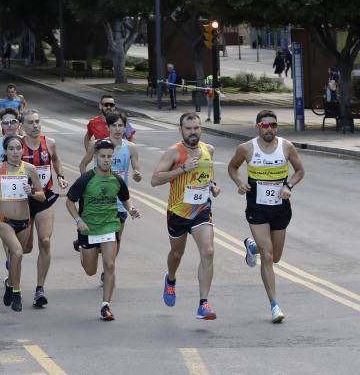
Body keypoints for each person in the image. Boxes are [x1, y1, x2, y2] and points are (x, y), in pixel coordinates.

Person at [227, 110, 305, 323]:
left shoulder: (286, 146)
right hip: (257, 207)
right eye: (264, 125)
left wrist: (289, 185)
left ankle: (252, 246)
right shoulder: (246, 148)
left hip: (280, 206)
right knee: (268, 256)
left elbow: (300, 171)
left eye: (272, 125)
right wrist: (240, 182)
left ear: (276, 127)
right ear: (257, 127)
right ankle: (274, 306)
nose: (269, 129)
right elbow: (232, 167)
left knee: (276, 257)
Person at [150, 112, 220, 320]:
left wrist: (213, 186)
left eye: (196, 128)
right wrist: (182, 168)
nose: (193, 132)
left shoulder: (209, 150)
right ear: (180, 130)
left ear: (201, 129)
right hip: (178, 212)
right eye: (188, 128)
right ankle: (170, 279)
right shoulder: (173, 153)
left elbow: (206, 174)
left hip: (201, 210)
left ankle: (203, 304)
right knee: (176, 254)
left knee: (208, 251)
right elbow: (154, 179)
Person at [66, 138, 141, 320]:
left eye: (109, 156)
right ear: (95, 157)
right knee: (90, 270)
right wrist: (78, 220)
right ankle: (83, 249)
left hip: (109, 225)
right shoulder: (85, 179)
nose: (106, 160)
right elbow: (69, 202)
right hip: (89, 228)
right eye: (102, 156)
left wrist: (131, 209)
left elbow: (125, 197)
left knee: (110, 264)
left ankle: (105, 305)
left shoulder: (116, 179)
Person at [0, 136, 45, 312]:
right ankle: (17, 292)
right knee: (16, 253)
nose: (15, 152)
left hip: (24, 221)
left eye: (18, 148)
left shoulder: (30, 169)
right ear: (5, 151)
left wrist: (32, 192)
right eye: (11, 148)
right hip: (4, 221)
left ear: (23, 150)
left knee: (16, 256)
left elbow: (42, 195)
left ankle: (10, 284)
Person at [77, 112, 142, 284]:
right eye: (114, 125)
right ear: (108, 127)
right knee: (97, 243)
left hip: (119, 202)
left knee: (115, 238)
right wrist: (87, 186)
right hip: (96, 202)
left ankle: (108, 269)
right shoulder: (97, 146)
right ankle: (86, 249)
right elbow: (82, 165)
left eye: (121, 126)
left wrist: (137, 174)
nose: (118, 129)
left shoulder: (131, 148)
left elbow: (137, 168)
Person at [19, 109, 69, 308]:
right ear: (23, 126)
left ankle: (40, 289)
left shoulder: (49, 143)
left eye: (38, 121)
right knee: (25, 247)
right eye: (30, 122)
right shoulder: (17, 146)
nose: (35, 125)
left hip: (44, 197)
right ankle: (11, 270)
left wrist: (61, 176)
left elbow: (55, 159)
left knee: (45, 241)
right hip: (23, 199)